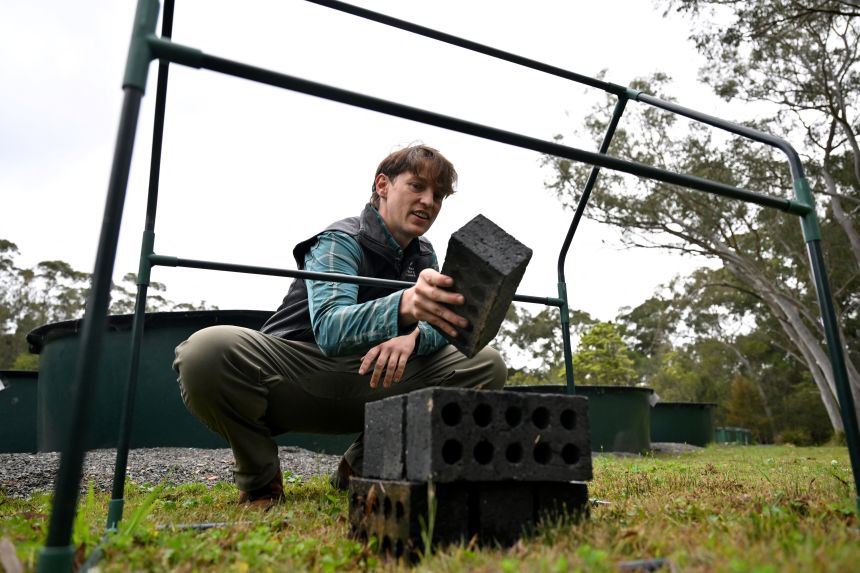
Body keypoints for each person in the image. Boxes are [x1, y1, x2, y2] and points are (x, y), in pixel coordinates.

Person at [173, 144, 508, 507]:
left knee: (486, 364)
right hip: (298, 371)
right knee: (205, 351)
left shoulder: (425, 254)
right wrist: (405, 306)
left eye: (438, 195)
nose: (429, 201)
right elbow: (331, 329)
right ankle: (261, 481)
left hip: (373, 377)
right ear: (383, 185)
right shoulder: (340, 239)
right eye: (417, 186)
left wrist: (413, 338)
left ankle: (359, 467)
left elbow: (441, 324)